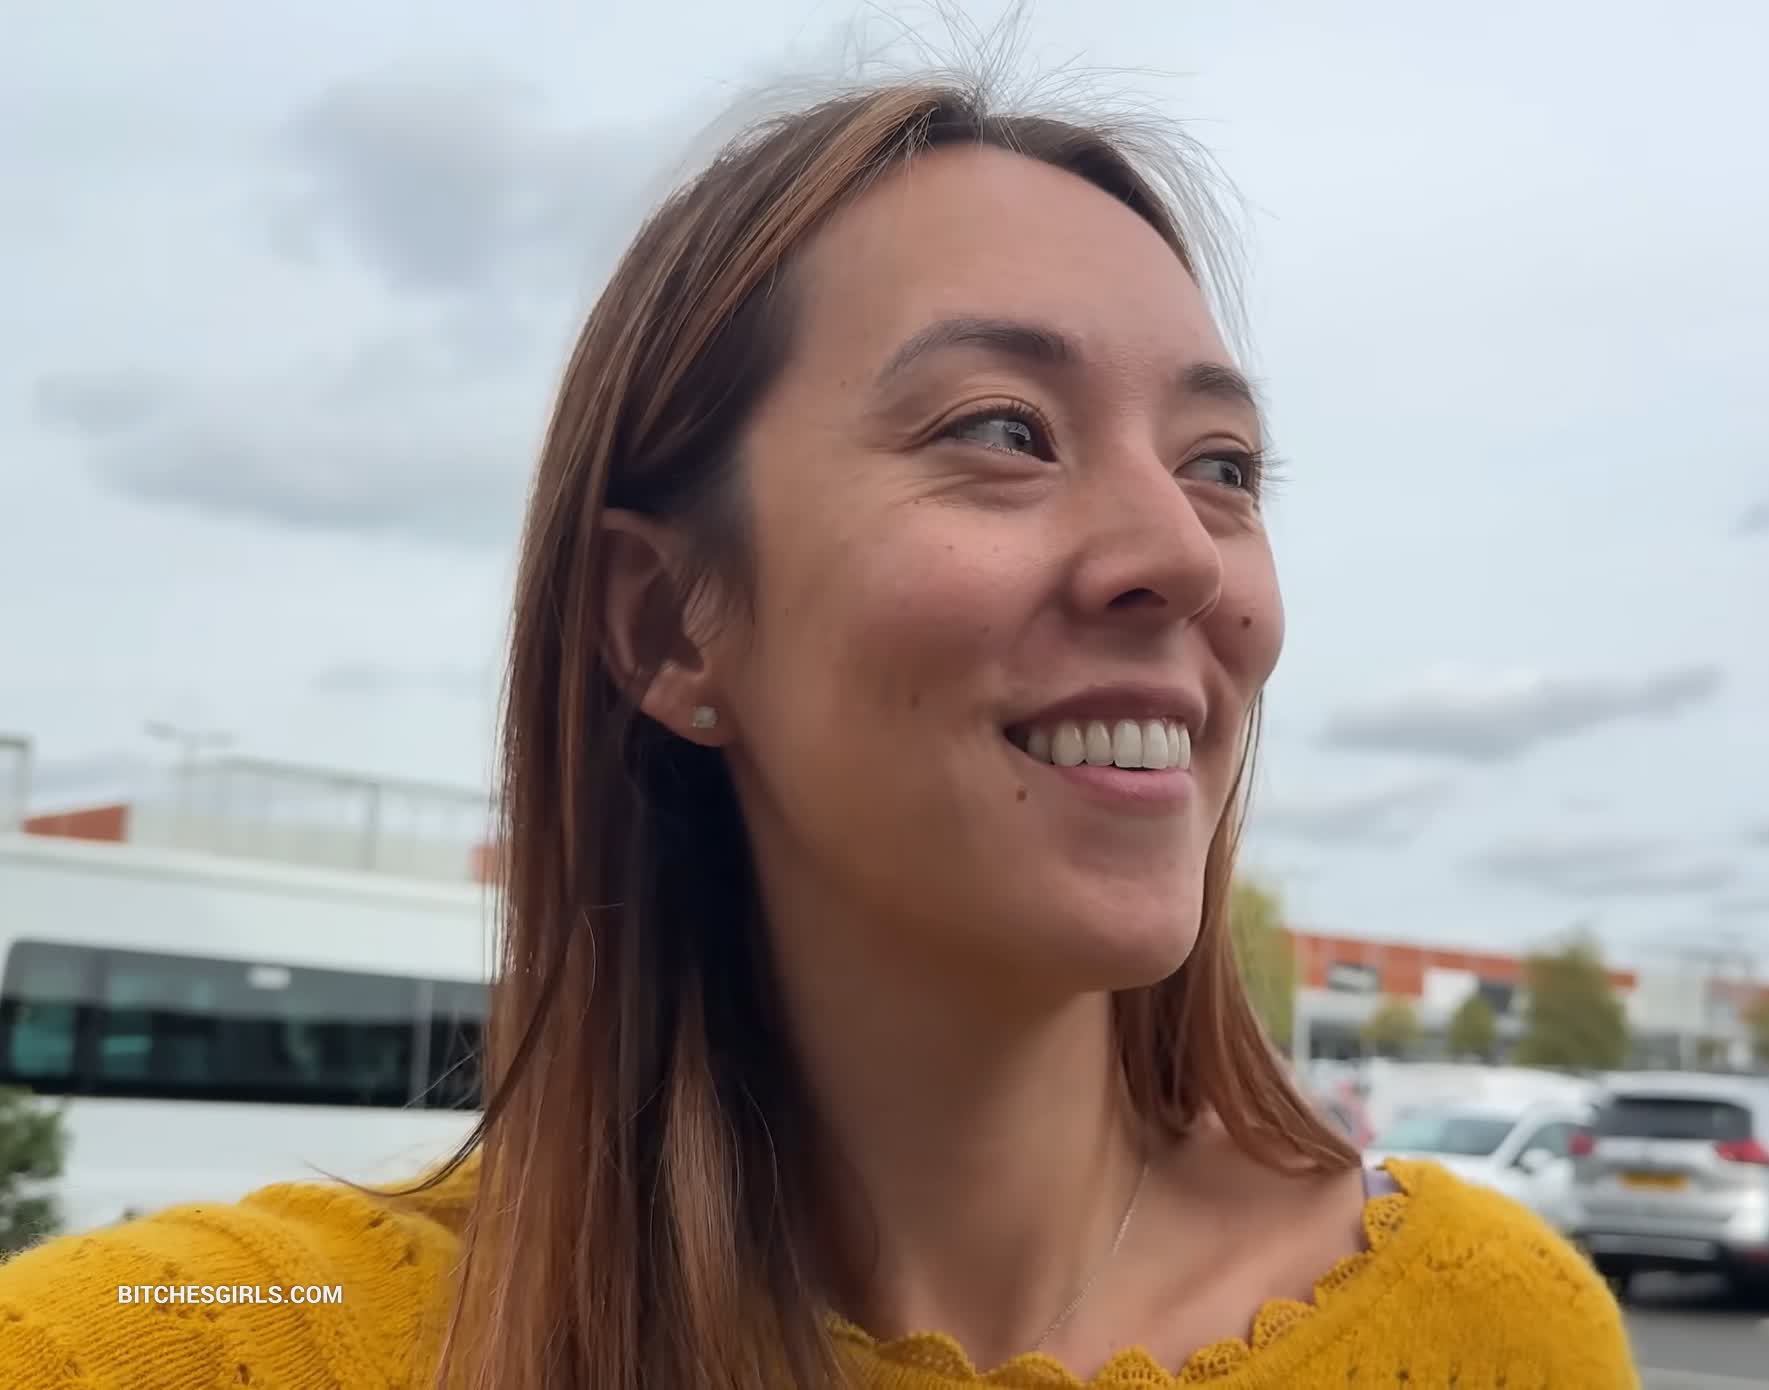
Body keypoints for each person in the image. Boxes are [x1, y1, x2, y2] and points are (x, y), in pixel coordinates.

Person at [0, 64, 1637, 1390]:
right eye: (1004, 429)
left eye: (1222, 465)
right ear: (667, 623)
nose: (1183, 556)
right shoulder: (188, 1344)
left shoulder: (1491, 1332)